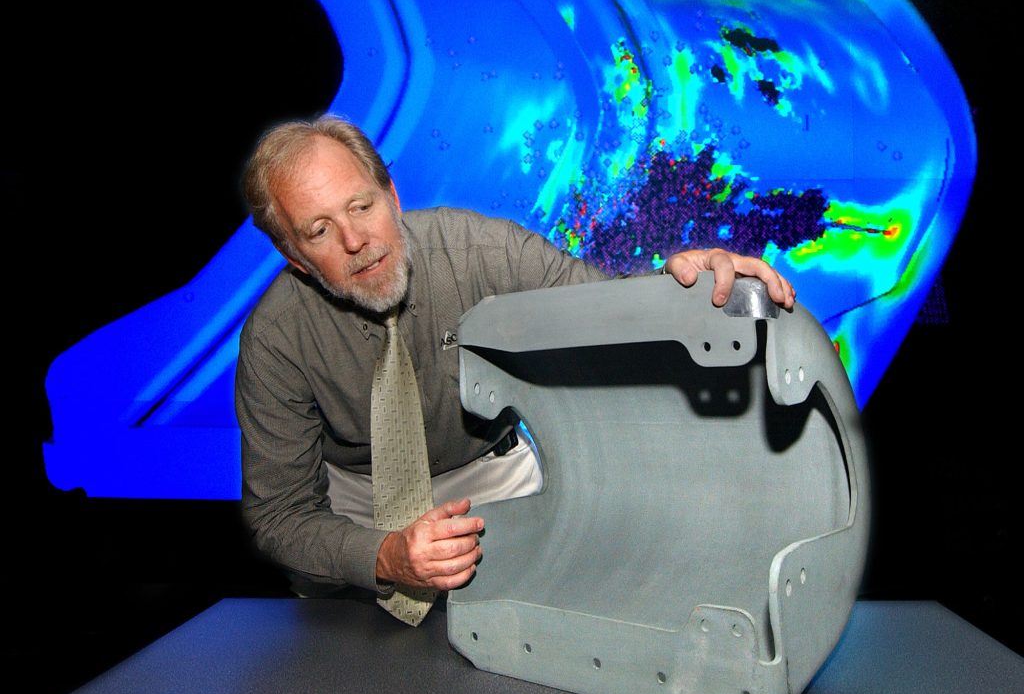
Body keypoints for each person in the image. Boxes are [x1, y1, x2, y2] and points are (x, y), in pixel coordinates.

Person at [235, 115, 795, 607]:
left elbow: (605, 311)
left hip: (493, 478)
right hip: (355, 508)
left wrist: (688, 287)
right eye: (319, 230)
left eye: (362, 205)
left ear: (393, 195)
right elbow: (280, 516)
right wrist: (382, 556)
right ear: (295, 257)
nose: (356, 240)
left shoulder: (488, 252)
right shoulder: (275, 338)